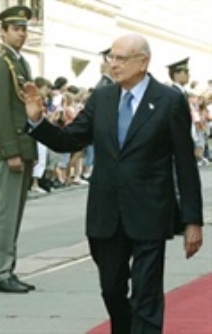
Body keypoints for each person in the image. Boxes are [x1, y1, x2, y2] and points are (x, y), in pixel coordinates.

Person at [24, 34, 203, 333]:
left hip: (149, 211)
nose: (113, 64)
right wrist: (37, 121)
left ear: (143, 62)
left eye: (121, 58)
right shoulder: (103, 98)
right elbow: (70, 139)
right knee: (111, 290)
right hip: (106, 213)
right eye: (111, 58)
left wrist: (192, 220)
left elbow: (185, 164)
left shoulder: (169, 101)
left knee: (146, 296)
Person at [0, 5, 37, 294]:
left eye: (24, 29)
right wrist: (11, 151)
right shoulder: (0, 63)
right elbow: (2, 111)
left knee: (15, 213)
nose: (22, 34)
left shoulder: (20, 63)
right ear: (3, 31)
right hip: (10, 149)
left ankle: (8, 268)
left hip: (23, 145)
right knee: (5, 213)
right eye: (16, 29)